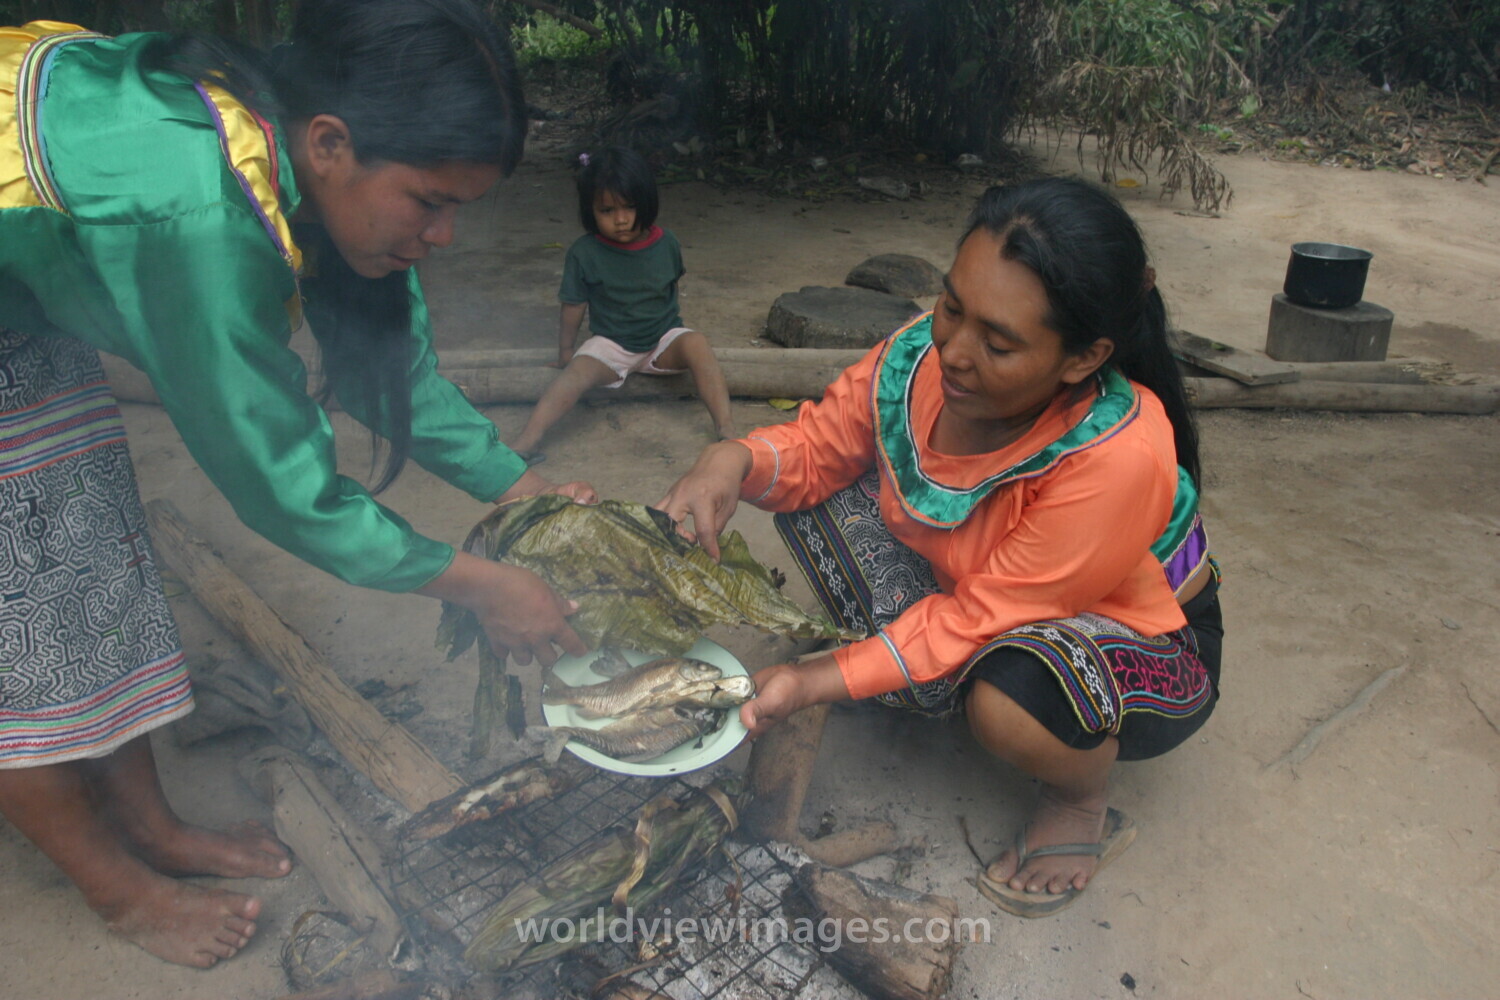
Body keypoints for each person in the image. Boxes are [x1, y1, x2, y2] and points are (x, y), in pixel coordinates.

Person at [0, 0, 595, 968]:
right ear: (330, 144)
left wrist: (516, 482)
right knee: (15, 628)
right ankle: (118, 890)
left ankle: (147, 824)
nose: (443, 235)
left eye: (459, 209)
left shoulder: (306, 160)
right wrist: (486, 585)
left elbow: (389, 368)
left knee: (87, 563)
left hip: (22, 308)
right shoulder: (196, 210)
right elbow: (281, 484)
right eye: (431, 201)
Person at [656, 177, 1224, 919]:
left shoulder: (1116, 455)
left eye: (998, 343)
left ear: (1083, 359)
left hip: (1148, 641)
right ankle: (911, 677)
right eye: (953, 306)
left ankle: (1080, 798)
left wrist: (814, 677)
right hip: (991, 589)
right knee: (815, 497)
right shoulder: (922, 356)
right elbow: (820, 445)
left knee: (1006, 702)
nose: (952, 351)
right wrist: (729, 459)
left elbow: (982, 617)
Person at [508, 146, 737, 461]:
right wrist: (565, 351)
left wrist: (672, 336)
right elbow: (573, 305)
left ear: (646, 202)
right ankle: (526, 441)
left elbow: (668, 288)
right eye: (607, 211)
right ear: (590, 211)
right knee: (574, 375)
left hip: (662, 340)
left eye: (629, 207)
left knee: (697, 344)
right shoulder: (584, 253)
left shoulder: (667, 243)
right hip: (610, 345)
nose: (621, 220)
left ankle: (726, 431)